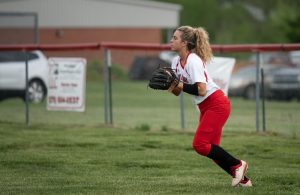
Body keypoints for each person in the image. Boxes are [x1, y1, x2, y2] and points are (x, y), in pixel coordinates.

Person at [168, 25, 252, 187]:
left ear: (184, 43)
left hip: (216, 104)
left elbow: (201, 90)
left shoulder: (193, 60)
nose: (171, 40)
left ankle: (238, 165)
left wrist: (178, 84)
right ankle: (244, 181)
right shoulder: (175, 61)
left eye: (175, 38)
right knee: (214, 152)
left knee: (200, 145)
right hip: (205, 107)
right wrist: (169, 85)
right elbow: (177, 92)